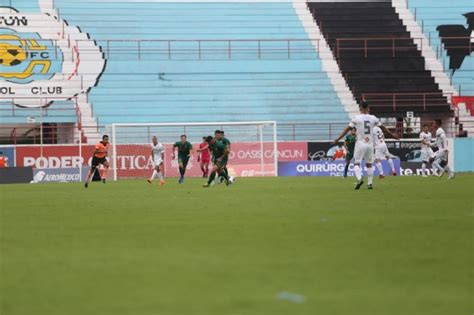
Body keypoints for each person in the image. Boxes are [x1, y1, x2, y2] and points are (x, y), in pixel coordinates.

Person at [333, 101, 398, 190]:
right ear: (368, 108)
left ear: (360, 108)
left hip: (360, 144)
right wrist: (393, 135)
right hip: (370, 145)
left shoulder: (356, 118)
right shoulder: (373, 118)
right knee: (369, 164)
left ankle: (359, 179)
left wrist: (338, 139)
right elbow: (383, 128)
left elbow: (347, 129)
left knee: (356, 163)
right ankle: (370, 183)